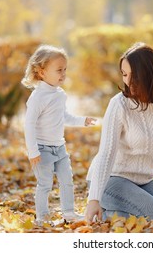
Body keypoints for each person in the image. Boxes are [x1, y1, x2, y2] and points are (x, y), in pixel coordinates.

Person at [85, 42, 153, 222]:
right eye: (124, 74)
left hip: (146, 180)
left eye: (132, 75)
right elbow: (106, 154)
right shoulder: (119, 104)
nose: (126, 81)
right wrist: (94, 198)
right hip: (111, 179)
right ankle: (105, 213)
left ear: (149, 74)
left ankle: (122, 209)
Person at [22, 44, 96, 226]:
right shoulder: (38, 96)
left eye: (65, 69)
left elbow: (63, 116)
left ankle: (69, 213)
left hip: (59, 148)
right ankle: (42, 217)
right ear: (41, 72)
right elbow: (29, 124)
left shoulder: (59, 94)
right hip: (42, 149)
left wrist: (81, 121)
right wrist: (33, 152)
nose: (63, 74)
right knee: (45, 184)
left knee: (67, 181)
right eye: (58, 70)